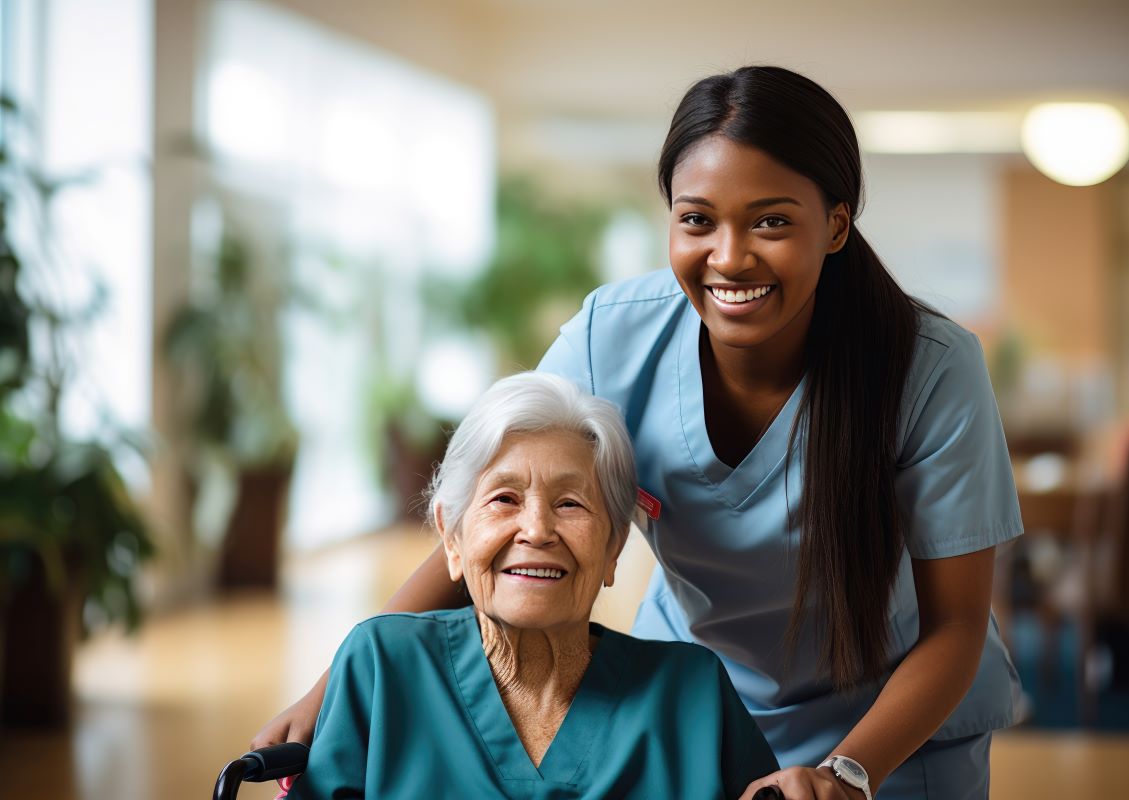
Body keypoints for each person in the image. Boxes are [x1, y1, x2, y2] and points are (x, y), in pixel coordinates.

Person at [256, 66, 1023, 799]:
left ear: (835, 225)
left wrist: (848, 773)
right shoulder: (613, 339)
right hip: (694, 710)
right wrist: (333, 691)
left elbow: (956, 626)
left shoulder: (929, 368)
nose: (729, 257)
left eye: (771, 222)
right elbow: (490, 522)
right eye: (697, 220)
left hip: (890, 729)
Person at [283, 372, 780, 799]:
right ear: (452, 538)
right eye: (504, 499)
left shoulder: (693, 696)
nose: (537, 530)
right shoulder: (381, 667)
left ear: (613, 548)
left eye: (570, 504)